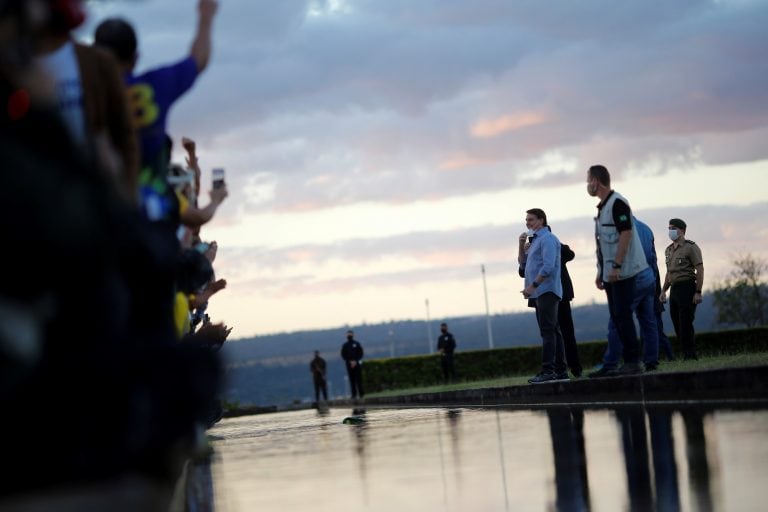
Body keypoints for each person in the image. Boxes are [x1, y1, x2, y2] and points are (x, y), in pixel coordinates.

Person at [93, 0, 219, 221]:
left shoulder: (84, 96)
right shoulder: (154, 86)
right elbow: (198, 60)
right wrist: (206, 16)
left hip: (100, 217)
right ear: (135, 57)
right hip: (150, 219)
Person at [34, 0, 139, 203]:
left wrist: (128, 199)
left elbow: (125, 137)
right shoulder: (15, 67)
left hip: (90, 198)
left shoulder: (98, 63)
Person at [586, 165, 648, 376]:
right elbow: (603, 246)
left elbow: (626, 233)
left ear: (596, 181)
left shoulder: (617, 203)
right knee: (617, 316)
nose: (587, 185)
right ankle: (623, 362)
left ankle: (632, 362)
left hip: (623, 272)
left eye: (589, 180)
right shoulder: (603, 207)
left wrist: (617, 265)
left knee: (623, 315)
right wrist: (600, 272)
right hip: (610, 273)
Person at [590, 217, 660, 377]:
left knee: (618, 321)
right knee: (649, 322)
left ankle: (611, 363)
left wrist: (602, 274)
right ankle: (651, 361)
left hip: (630, 278)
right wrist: (654, 281)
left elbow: (609, 255)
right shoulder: (646, 228)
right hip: (648, 278)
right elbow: (653, 258)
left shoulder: (617, 229)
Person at [519, 208, 568, 384]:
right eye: (526, 220)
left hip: (546, 290)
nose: (527, 223)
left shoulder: (548, 239)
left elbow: (548, 267)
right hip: (539, 292)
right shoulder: (534, 240)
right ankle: (561, 370)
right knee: (553, 330)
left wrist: (533, 286)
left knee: (548, 331)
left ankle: (548, 370)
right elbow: (523, 264)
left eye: (531, 220)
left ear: (541, 220)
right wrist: (521, 244)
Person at [661, 218, 704, 360]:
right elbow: (669, 272)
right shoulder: (668, 250)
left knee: (686, 322)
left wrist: (698, 291)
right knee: (677, 322)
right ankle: (685, 351)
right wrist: (663, 291)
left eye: (673, 228)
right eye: (669, 228)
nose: (670, 231)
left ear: (682, 230)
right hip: (674, 289)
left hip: (687, 287)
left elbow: (700, 268)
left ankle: (690, 354)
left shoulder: (691, 247)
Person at [341, 330, 364, 399]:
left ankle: (361, 394)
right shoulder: (345, 345)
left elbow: (360, 353)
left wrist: (355, 361)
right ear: (346, 336)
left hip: (357, 364)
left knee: (359, 379)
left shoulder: (357, 344)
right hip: (349, 365)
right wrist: (350, 362)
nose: (349, 335)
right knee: (352, 380)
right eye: (348, 334)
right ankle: (354, 394)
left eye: (350, 334)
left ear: (353, 335)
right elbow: (343, 355)